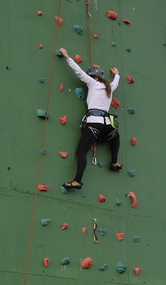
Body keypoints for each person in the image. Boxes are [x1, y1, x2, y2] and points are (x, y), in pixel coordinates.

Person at [57, 47, 121, 191]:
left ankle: (77, 180)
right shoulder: (109, 87)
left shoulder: (93, 83)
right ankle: (114, 162)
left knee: (81, 152)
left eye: (91, 76)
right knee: (116, 137)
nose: (90, 78)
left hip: (94, 125)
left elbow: (78, 72)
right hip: (108, 126)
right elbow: (116, 82)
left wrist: (67, 56)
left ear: (95, 77)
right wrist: (117, 75)